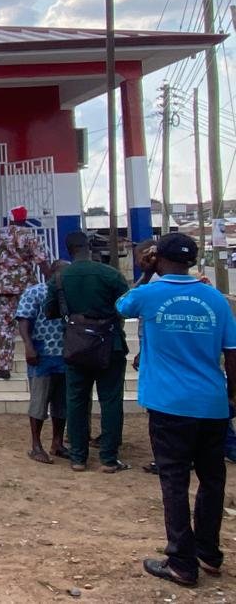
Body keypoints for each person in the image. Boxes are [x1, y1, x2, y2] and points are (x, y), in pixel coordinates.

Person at [115, 233, 236, 587]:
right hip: (212, 403)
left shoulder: (149, 294)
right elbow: (232, 353)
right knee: (213, 479)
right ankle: (208, 554)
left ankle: (182, 562)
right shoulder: (216, 300)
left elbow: (121, 305)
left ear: (158, 258)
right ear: (193, 261)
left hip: (169, 405)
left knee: (175, 481)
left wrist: (146, 273)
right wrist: (231, 396)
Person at [46, 230, 130, 473]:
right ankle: (109, 459)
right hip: (110, 344)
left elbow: (49, 311)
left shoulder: (60, 278)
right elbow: (126, 307)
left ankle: (78, 458)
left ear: (68, 249)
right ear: (89, 247)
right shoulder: (111, 274)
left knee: (76, 400)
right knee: (111, 400)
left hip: (76, 346)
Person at [16, 260, 70, 464]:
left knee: (61, 404)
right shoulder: (35, 292)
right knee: (39, 402)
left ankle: (57, 443)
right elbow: (24, 320)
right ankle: (36, 445)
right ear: (52, 273)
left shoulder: (68, 294)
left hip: (65, 355)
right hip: (42, 354)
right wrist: (28, 347)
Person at [0, 206, 50, 380]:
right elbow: (41, 261)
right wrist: (51, 281)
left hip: (3, 288)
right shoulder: (29, 236)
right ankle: (38, 358)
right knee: (33, 324)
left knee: (6, 328)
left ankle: (5, 366)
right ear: (25, 218)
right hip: (26, 289)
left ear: (10, 218)